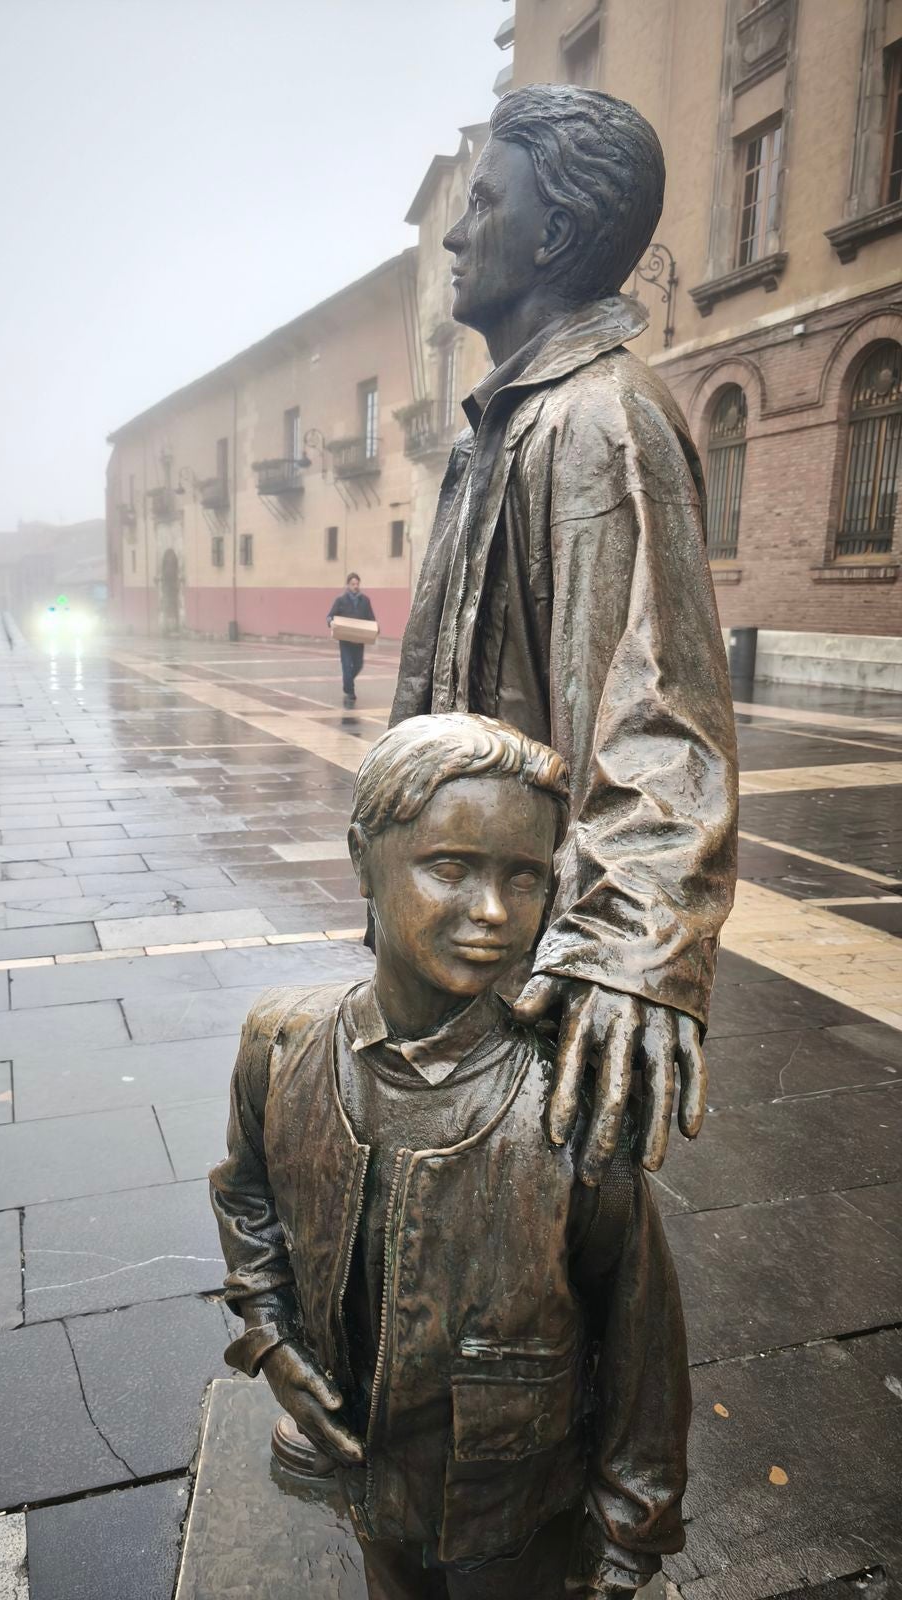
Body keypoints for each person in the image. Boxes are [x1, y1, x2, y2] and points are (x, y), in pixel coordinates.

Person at [211, 715, 690, 1600]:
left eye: (526, 878)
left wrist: (631, 1532)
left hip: (514, 1507)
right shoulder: (280, 1045)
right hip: (365, 1474)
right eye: (450, 868)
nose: (495, 913)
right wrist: (272, 1341)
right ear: (364, 861)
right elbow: (247, 1201)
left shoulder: (571, 1110)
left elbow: (639, 1336)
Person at [391, 85, 738, 1186]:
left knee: (548, 1307)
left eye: (481, 201)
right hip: (459, 938)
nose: (453, 232)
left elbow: (661, 716)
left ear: (551, 235)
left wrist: (634, 952)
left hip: (529, 966)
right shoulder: (505, 424)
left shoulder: (602, 417)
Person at [328, 572, 376, 707]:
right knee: (347, 666)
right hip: (345, 640)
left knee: (359, 665)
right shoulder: (341, 600)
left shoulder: (365, 600)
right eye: (353, 584)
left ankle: (347, 683)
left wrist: (375, 628)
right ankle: (350, 691)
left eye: (357, 584)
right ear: (348, 585)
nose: (355, 586)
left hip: (359, 639)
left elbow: (371, 618)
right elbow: (330, 616)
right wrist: (331, 622)